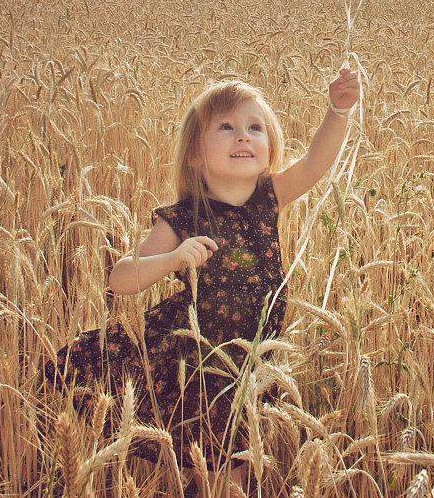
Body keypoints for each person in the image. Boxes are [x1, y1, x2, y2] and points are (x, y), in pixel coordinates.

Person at [46, 66, 360, 495]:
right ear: (195, 154)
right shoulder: (184, 219)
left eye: (255, 127)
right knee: (218, 478)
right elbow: (120, 278)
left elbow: (314, 164)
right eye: (226, 127)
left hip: (252, 364)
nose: (243, 136)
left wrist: (338, 110)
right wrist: (173, 257)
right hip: (201, 371)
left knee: (239, 471)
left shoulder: (269, 198)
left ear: (269, 148)